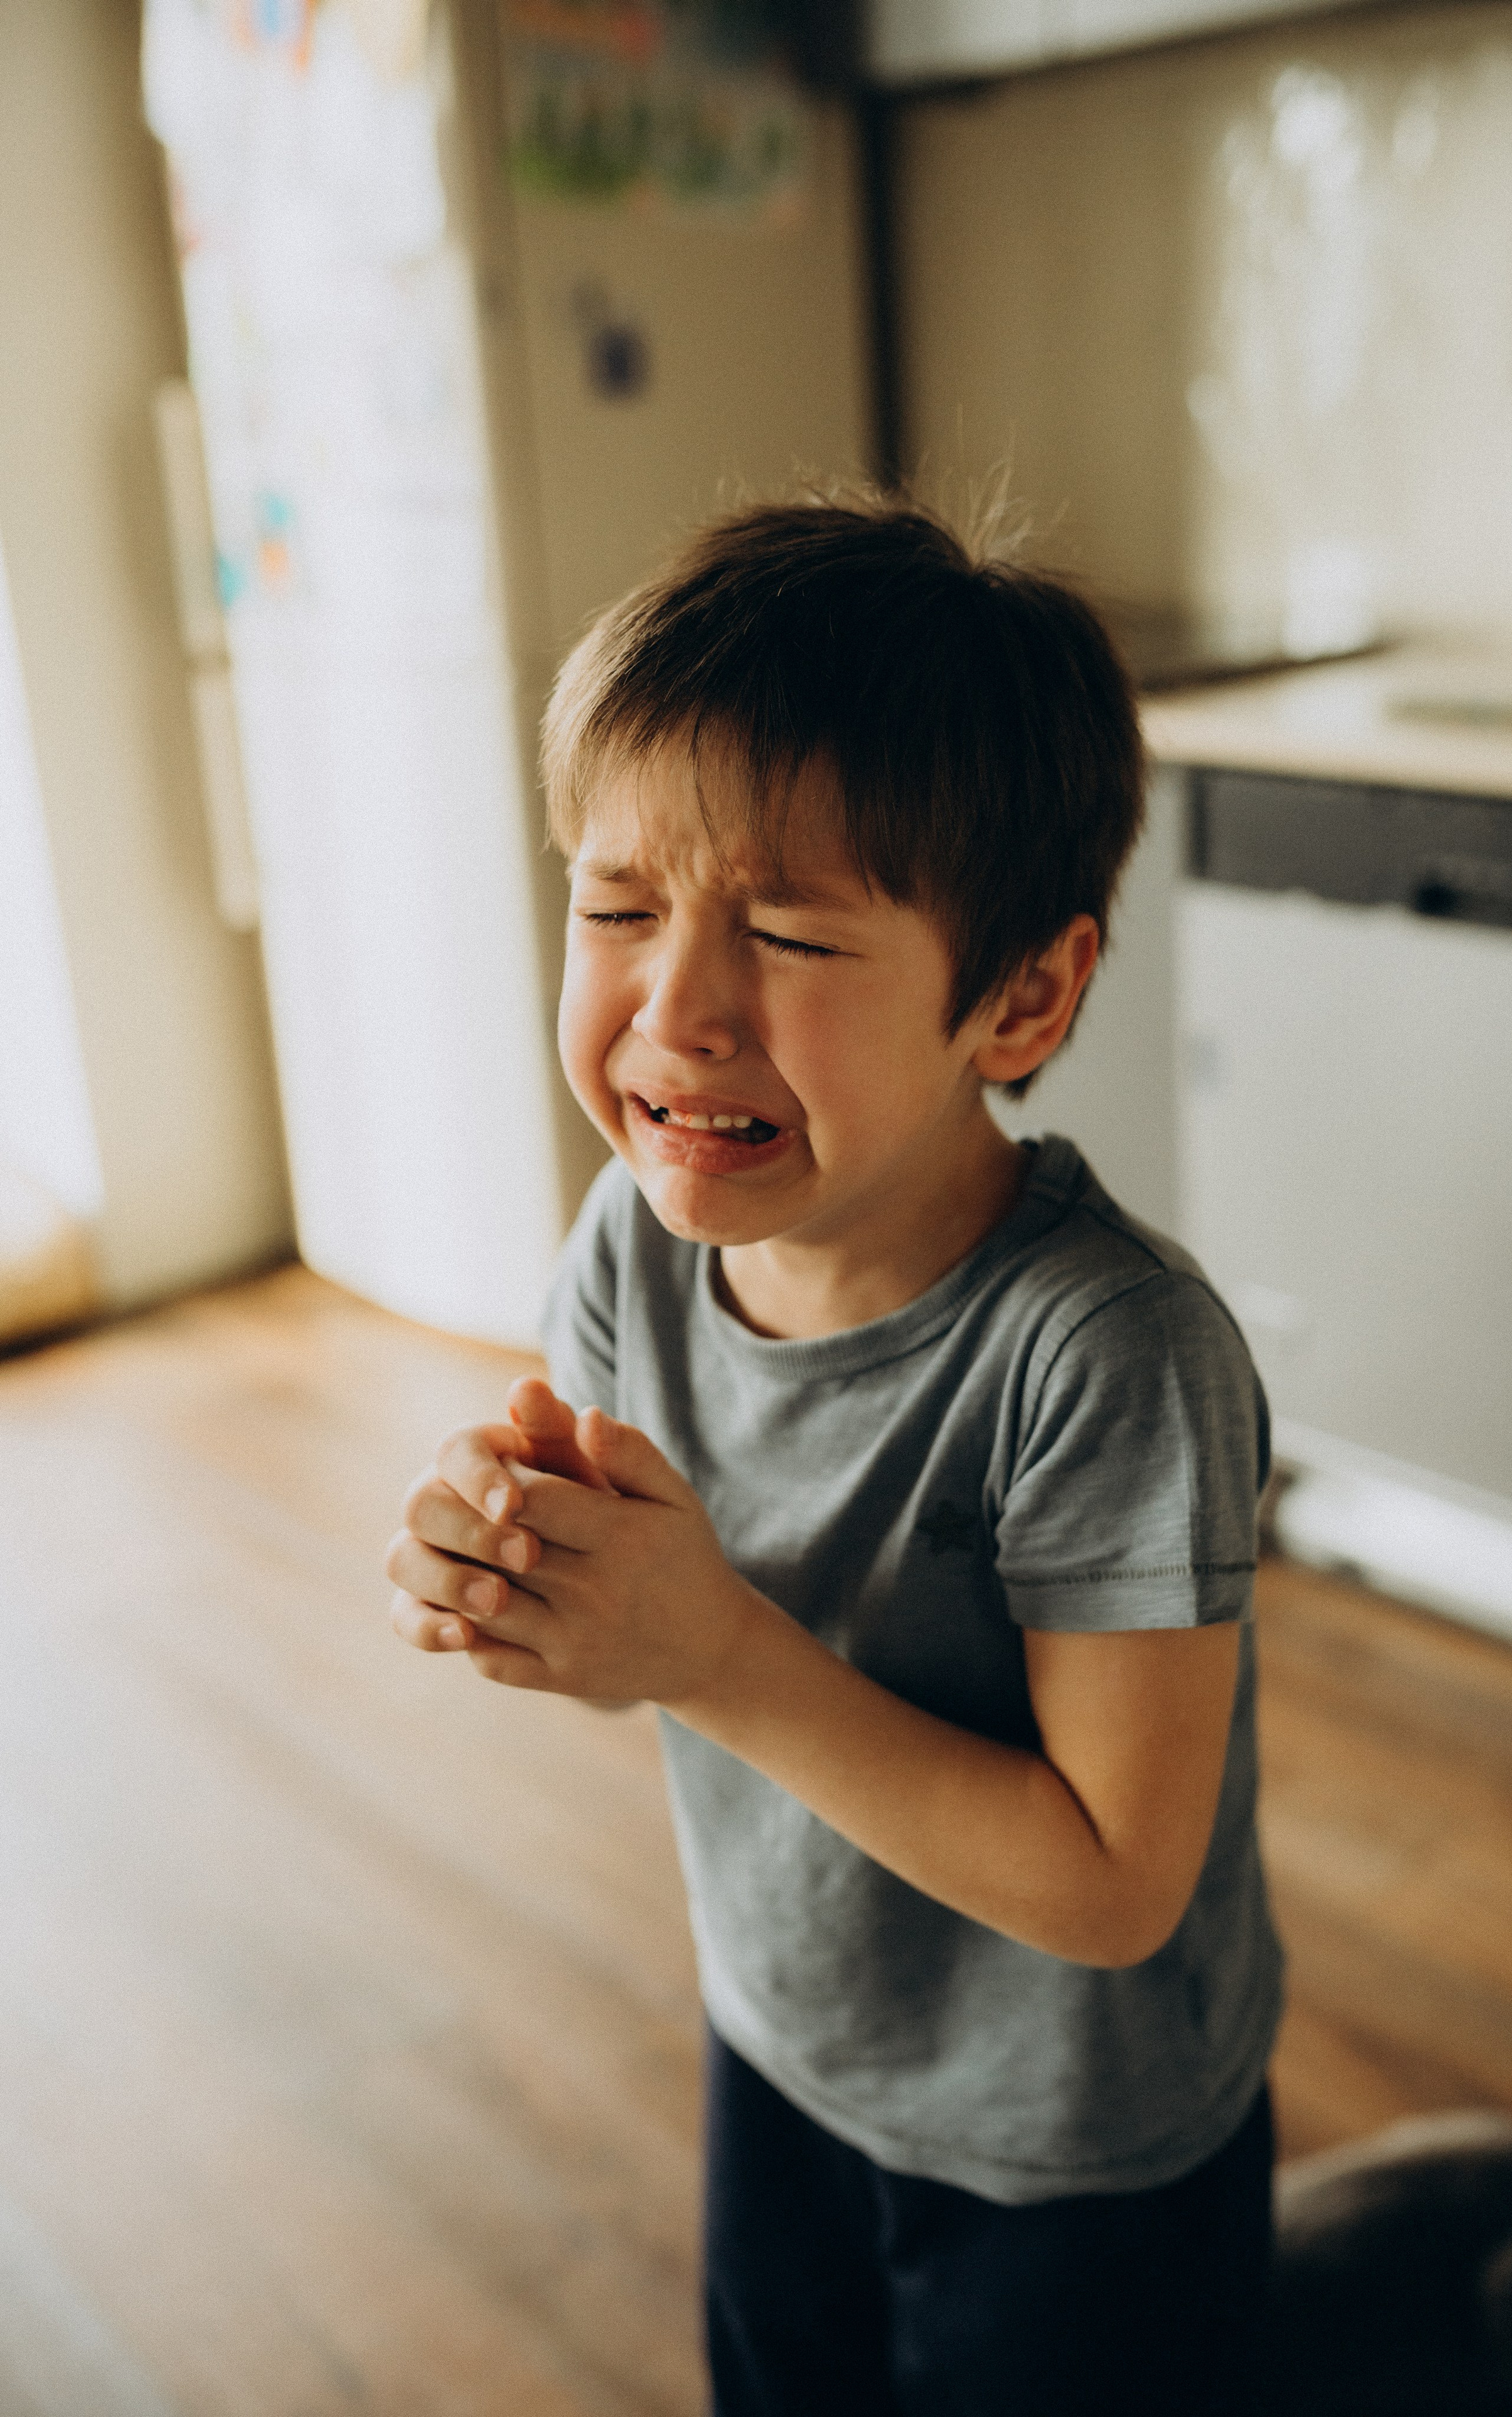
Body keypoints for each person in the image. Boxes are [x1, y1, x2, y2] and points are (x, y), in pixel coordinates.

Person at [384, 494, 1284, 2416]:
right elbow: (646, 1619)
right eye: (616, 908)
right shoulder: (635, 1240)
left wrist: (706, 1651)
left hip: (1082, 2155)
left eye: (786, 932)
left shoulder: (1107, 1355)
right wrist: (518, 1566)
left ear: (1022, 997)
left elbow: (1119, 1883)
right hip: (784, 2037)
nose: (677, 1007)